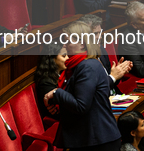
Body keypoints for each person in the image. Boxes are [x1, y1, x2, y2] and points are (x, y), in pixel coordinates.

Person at [43, 21, 121, 151]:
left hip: (98, 141)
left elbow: (81, 105)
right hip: (90, 138)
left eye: (68, 41)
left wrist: (57, 93)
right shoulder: (82, 65)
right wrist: (58, 101)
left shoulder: (87, 67)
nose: (64, 45)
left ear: (82, 43)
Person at [76, 14, 133, 95]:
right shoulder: (81, 60)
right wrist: (113, 76)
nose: (99, 37)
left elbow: (110, 82)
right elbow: (93, 90)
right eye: (95, 33)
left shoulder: (101, 49)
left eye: (100, 32)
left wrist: (119, 72)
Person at [34, 43, 67, 120]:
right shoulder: (46, 82)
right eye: (64, 56)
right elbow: (58, 108)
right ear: (52, 58)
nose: (68, 58)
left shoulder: (63, 73)